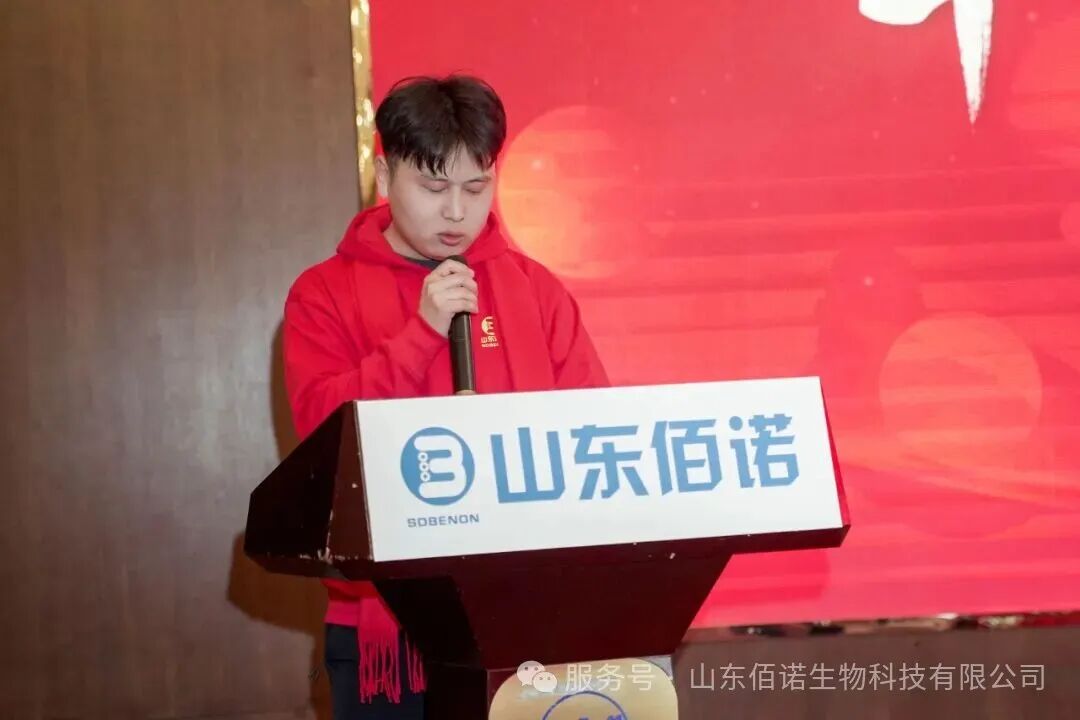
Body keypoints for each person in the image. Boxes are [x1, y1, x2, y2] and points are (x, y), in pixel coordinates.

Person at [281, 75, 609, 719]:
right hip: (388, 627)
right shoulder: (322, 294)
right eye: (434, 188)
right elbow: (321, 436)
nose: (457, 212)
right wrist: (421, 335)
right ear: (385, 174)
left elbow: (594, 431)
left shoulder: (535, 290)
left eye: (476, 187)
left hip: (527, 619)